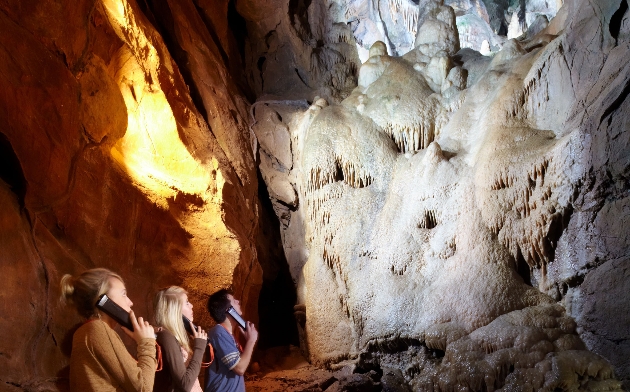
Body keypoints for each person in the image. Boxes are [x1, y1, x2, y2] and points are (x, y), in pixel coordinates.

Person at [60, 268, 157, 392]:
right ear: (104, 301)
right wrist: (146, 342)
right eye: (123, 294)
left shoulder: (86, 331)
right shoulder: (98, 329)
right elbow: (143, 388)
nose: (130, 302)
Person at [153, 286, 208, 392]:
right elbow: (185, 383)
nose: (192, 305)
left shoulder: (173, 336)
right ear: (175, 309)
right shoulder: (166, 336)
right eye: (187, 302)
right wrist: (199, 348)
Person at [204, 289, 258, 392]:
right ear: (229, 310)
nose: (238, 302)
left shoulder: (228, 335)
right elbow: (239, 368)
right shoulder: (219, 333)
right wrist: (251, 341)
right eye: (234, 301)